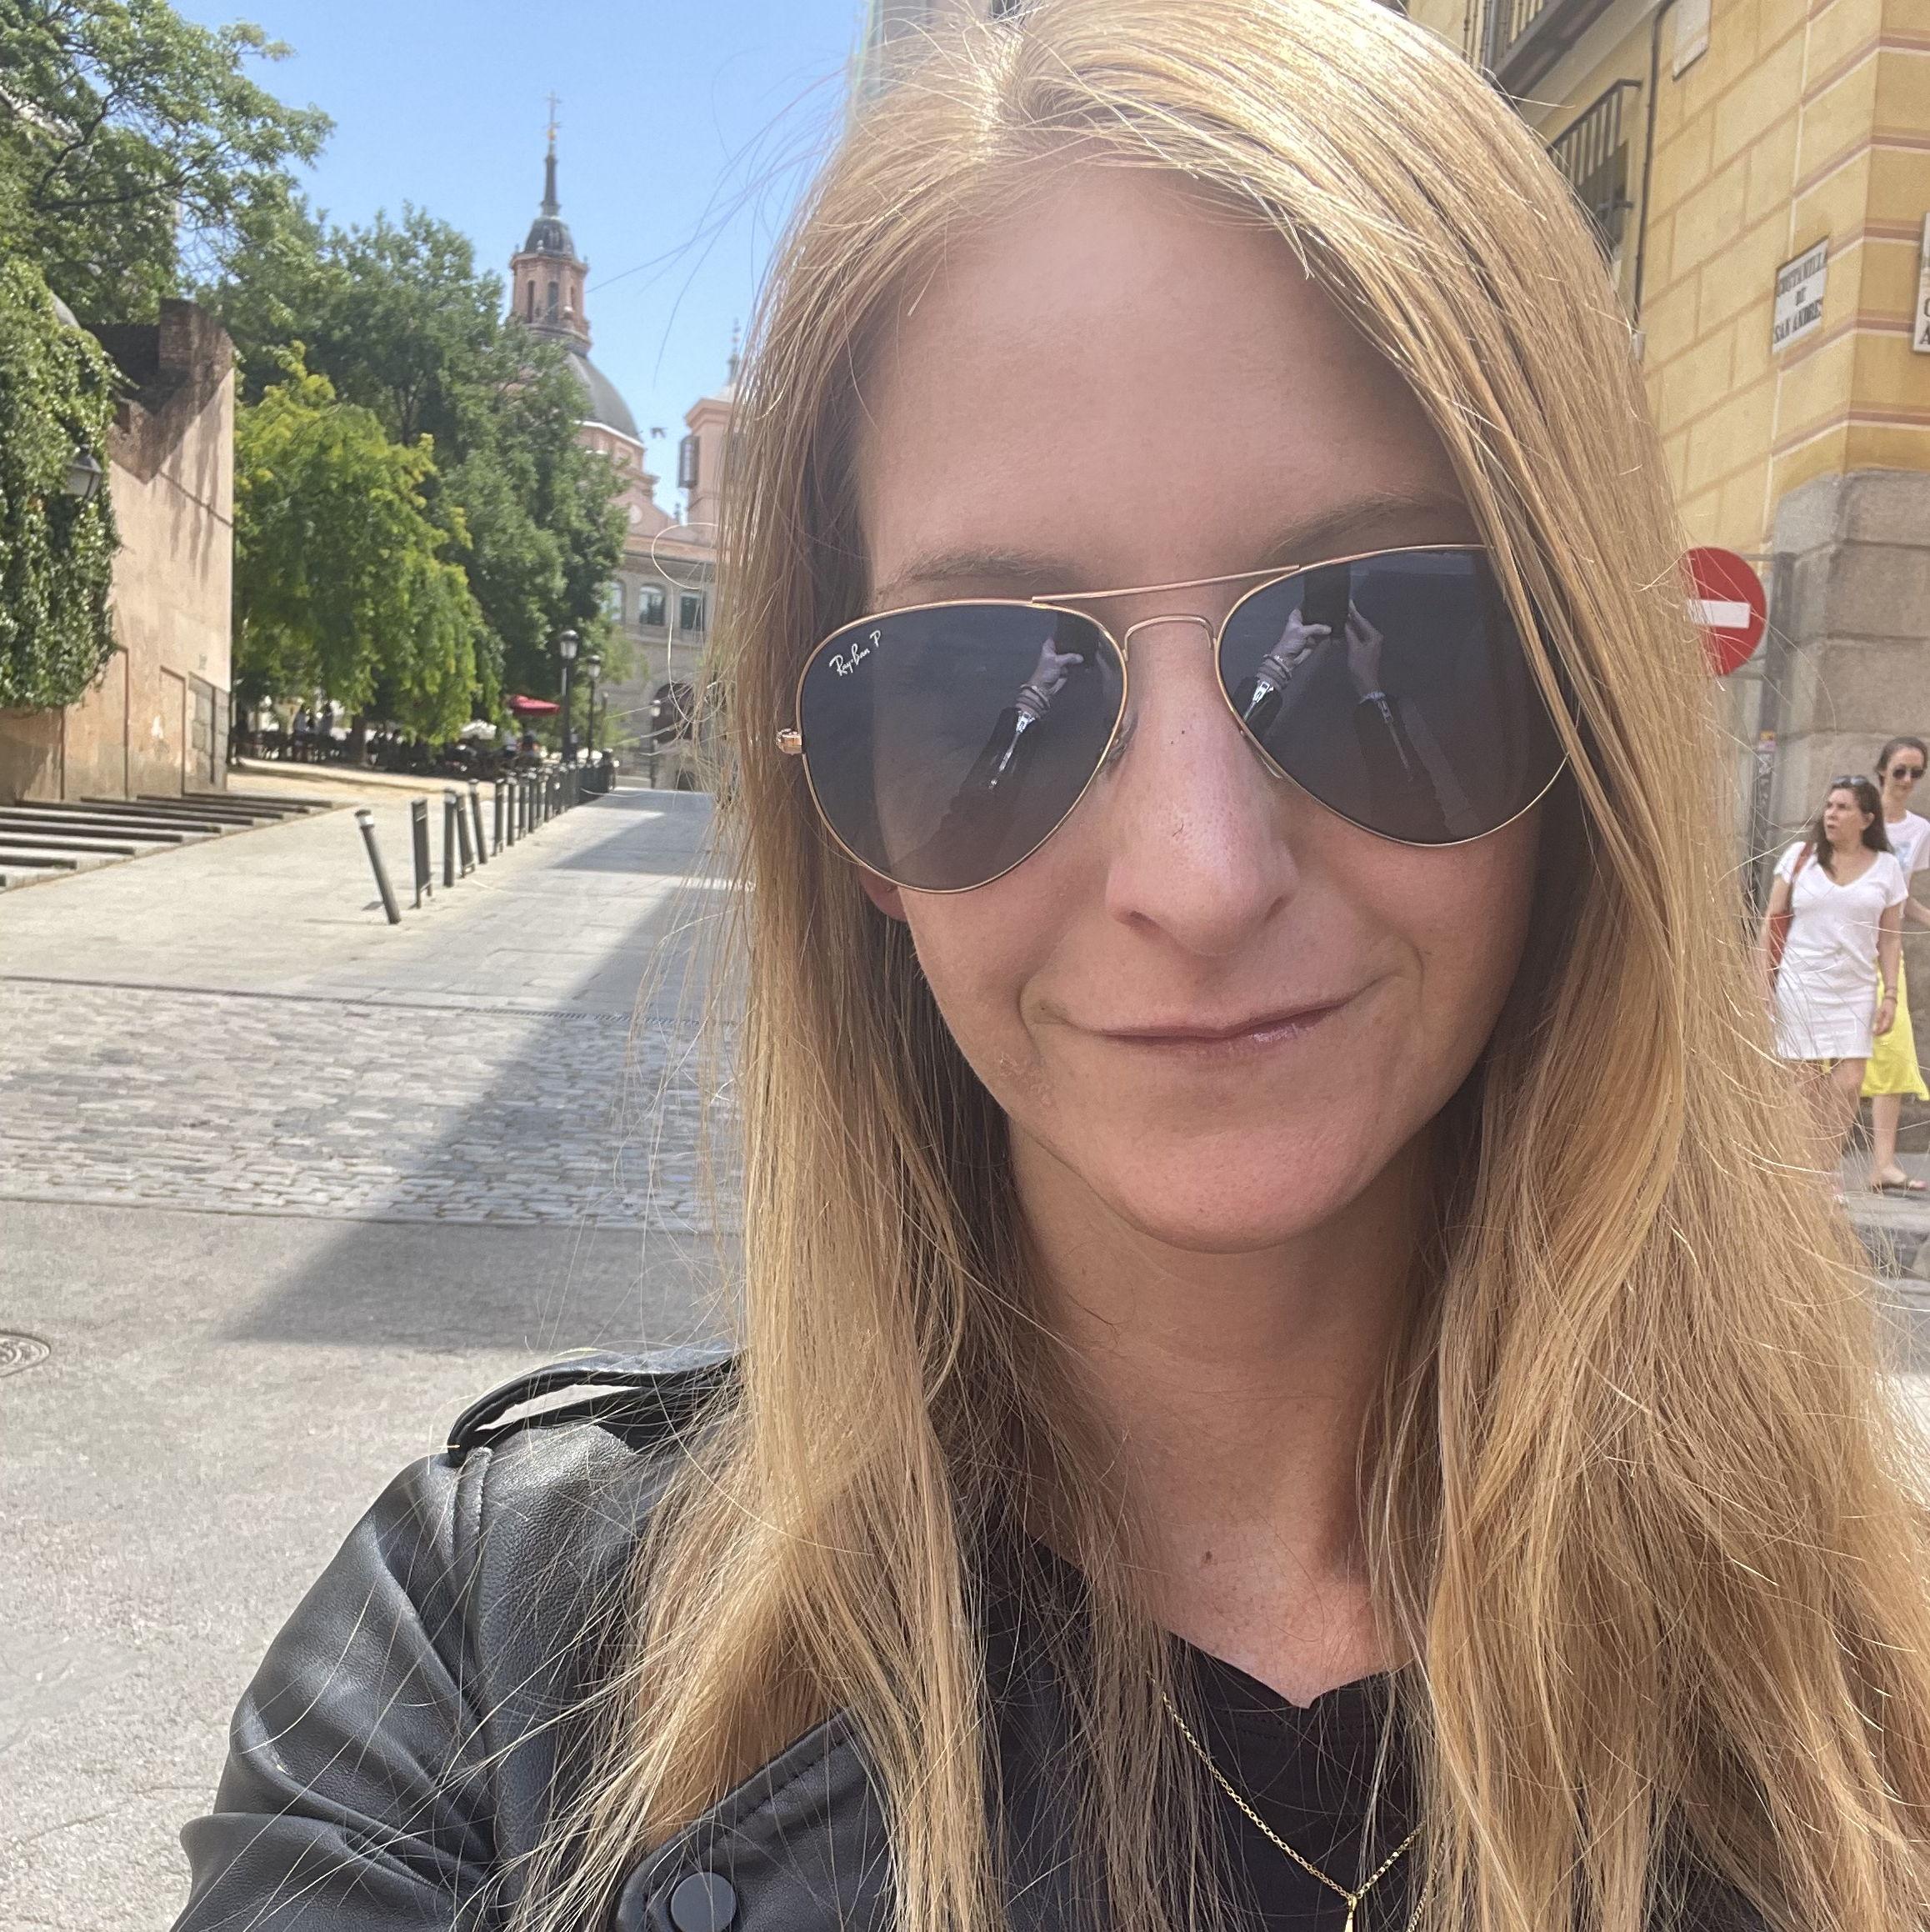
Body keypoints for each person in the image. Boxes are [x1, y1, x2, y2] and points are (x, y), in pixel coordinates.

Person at [171, 5, 1930, 1932]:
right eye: (976, 693)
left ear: (1582, 703)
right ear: (849, 820)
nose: (1195, 873)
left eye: (1373, 644)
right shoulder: (489, 1676)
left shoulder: (1874, 1716)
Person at [1757, 776, 1905, 1186]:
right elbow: (1771, 919)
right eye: (1829, 806)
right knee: (1803, 1085)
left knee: (1849, 1081)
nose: (1831, 814)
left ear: (1866, 819)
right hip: (1800, 982)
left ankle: (1823, 1168)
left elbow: (1890, 937)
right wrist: (1761, 982)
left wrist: (1891, 994)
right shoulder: (1800, 857)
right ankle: (1808, 1176)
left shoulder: (1887, 868)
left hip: (1856, 987)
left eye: (1843, 808)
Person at [1860, 736, 1930, 1191]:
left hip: (1888, 952)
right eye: (1900, 770)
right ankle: (1810, 1164)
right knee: (1825, 1059)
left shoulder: (1919, 831)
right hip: (1844, 946)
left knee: (1895, 1050)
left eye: (1916, 773)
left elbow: (1902, 901)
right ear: (1882, 769)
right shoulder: (1858, 816)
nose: (1906, 780)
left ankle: (1883, 1164)